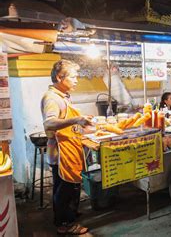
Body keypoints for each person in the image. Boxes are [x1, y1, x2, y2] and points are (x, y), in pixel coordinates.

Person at [41, 59, 94, 235]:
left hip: (68, 148)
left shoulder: (62, 96)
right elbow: (49, 123)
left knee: (68, 187)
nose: (76, 80)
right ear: (59, 77)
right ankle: (65, 223)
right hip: (60, 152)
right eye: (73, 76)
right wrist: (77, 120)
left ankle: (69, 214)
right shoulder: (52, 98)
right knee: (65, 189)